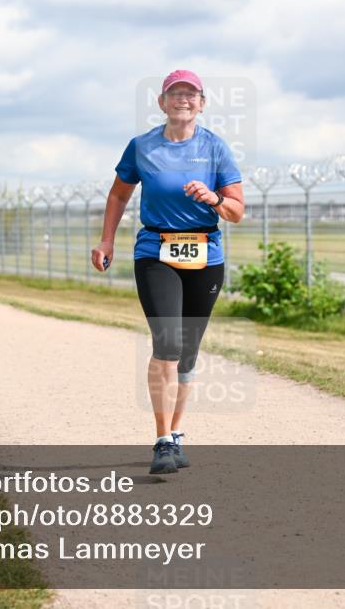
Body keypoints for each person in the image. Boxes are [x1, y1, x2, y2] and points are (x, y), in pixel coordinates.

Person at [91, 70, 245, 474]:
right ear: (161, 102)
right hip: (156, 251)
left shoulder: (215, 148)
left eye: (190, 94)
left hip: (205, 256)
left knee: (188, 351)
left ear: (202, 102)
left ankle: (177, 433)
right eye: (175, 93)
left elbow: (237, 211)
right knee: (168, 343)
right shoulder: (142, 147)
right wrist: (107, 241)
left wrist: (213, 198)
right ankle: (161, 440)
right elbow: (119, 193)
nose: (183, 99)